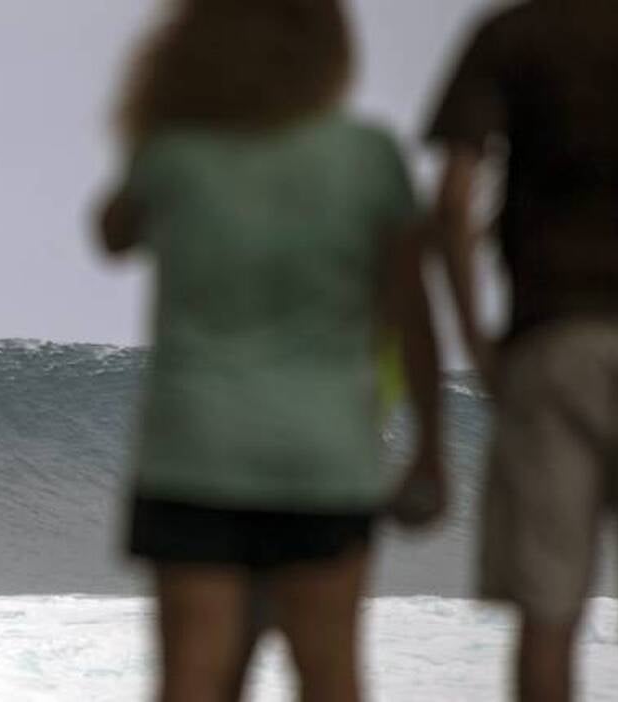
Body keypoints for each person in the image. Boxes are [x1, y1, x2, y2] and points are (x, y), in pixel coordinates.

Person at [97, 2, 442, 700]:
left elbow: (113, 231)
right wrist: (432, 448)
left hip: (195, 450)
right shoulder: (368, 155)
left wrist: (159, 107)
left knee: (195, 677)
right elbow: (413, 315)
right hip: (323, 453)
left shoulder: (177, 150)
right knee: (330, 673)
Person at [426, 2, 618, 700]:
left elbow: (455, 199)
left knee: (548, 617)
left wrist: (475, 338)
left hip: (551, 338)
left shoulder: (512, 33)